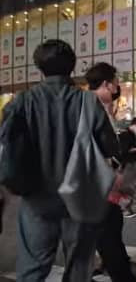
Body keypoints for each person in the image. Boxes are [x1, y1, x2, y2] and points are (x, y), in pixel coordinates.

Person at [4, 40, 117, 281]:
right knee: (78, 266)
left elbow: (7, 144)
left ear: (39, 68)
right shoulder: (88, 101)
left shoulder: (23, 101)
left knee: (33, 267)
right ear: (72, 66)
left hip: (36, 197)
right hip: (79, 196)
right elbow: (110, 147)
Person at [85, 62, 136, 282]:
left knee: (112, 226)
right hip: (97, 183)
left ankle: (115, 266)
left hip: (103, 181)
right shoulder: (91, 107)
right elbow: (99, 148)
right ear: (107, 84)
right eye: (116, 82)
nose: (119, 86)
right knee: (107, 231)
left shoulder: (98, 107)